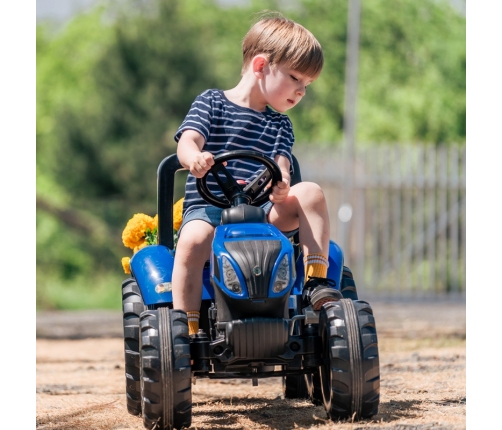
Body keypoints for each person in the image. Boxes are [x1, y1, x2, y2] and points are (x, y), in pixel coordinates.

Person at [172, 12, 342, 335]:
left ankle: (315, 284)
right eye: (295, 78)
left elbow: (282, 164)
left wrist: (281, 184)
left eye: (306, 85)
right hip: (210, 212)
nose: (302, 91)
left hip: (261, 215)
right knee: (193, 240)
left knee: (312, 193)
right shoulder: (211, 103)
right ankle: (185, 330)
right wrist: (194, 158)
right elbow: (189, 141)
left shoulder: (279, 124)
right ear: (261, 66)